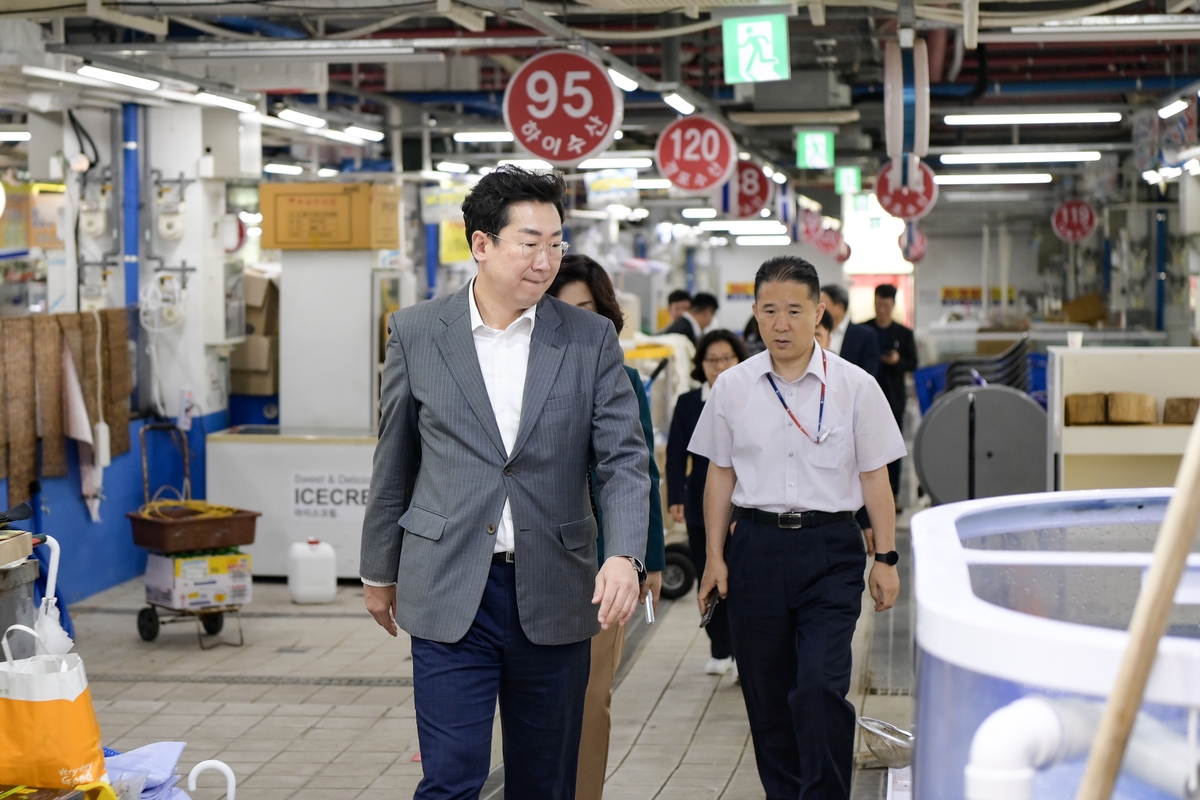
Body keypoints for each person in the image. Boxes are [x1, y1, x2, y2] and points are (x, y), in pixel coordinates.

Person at [359, 166, 650, 800]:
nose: (546, 260)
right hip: (448, 582)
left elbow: (624, 457)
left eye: (557, 243)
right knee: (451, 780)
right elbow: (395, 461)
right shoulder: (416, 332)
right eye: (530, 242)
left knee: (543, 782)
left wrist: (625, 554)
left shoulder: (589, 338)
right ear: (482, 244)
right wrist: (378, 571)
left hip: (554, 587)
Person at [690, 256, 905, 800]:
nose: (780, 323)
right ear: (756, 317)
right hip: (755, 549)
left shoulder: (857, 387)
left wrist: (886, 558)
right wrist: (714, 558)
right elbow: (719, 477)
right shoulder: (733, 387)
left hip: (830, 549)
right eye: (769, 311)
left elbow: (875, 477)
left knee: (818, 689)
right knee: (767, 699)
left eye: (793, 310)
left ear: (819, 313)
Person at [547, 255, 665, 800]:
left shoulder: (623, 380)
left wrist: (650, 559)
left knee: (592, 699)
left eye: (587, 311)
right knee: (539, 704)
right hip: (534, 565)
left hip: (604, 568)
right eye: (561, 310)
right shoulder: (518, 382)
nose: (576, 323)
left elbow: (641, 473)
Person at [666, 330, 749, 676]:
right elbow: (674, 453)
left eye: (727, 358)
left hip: (745, 502)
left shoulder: (750, 395)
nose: (719, 366)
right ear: (701, 364)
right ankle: (720, 647)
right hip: (702, 500)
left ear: (738, 359)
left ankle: (744, 651)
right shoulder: (689, 402)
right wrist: (675, 497)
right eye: (712, 360)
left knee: (743, 578)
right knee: (709, 574)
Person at [865, 284, 918, 501]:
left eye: (887, 305)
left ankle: (892, 494)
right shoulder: (864, 331)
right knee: (865, 446)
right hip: (866, 398)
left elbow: (913, 363)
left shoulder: (903, 334)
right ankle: (866, 496)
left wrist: (897, 361)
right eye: (879, 304)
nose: (882, 309)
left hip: (893, 397)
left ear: (893, 305)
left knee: (892, 447)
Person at [820, 283, 880, 379]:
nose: (818, 309)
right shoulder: (815, 331)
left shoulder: (864, 335)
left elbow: (869, 372)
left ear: (840, 307)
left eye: (823, 305)